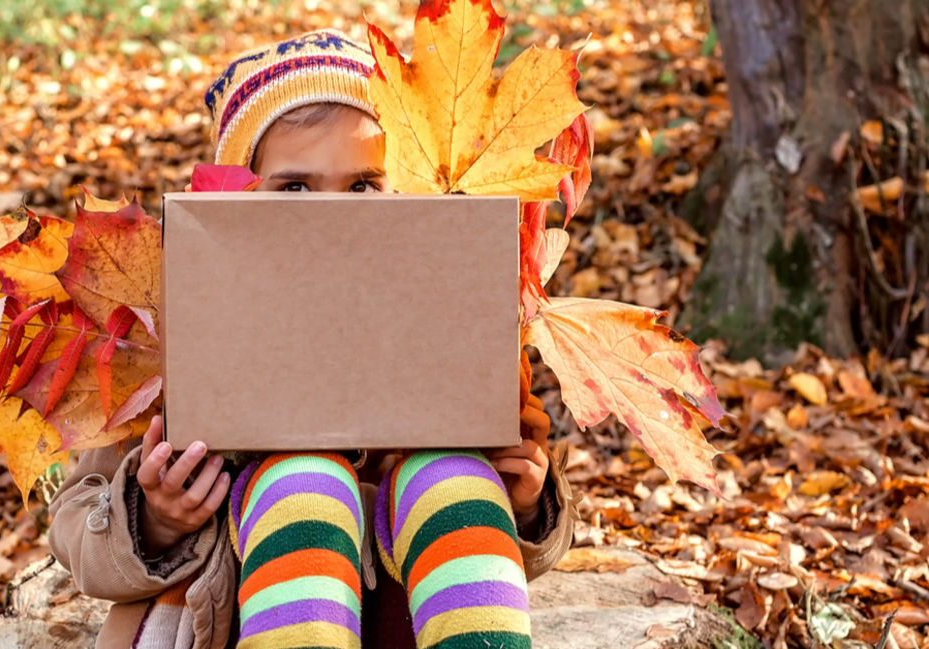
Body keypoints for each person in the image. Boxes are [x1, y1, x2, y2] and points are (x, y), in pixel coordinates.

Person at [49, 29, 576, 649]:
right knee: (304, 486)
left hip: (403, 615)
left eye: (362, 187)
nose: (333, 217)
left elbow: (504, 551)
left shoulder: (439, 311)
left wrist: (525, 505)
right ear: (239, 201)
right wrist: (157, 521)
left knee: (453, 481)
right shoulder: (185, 323)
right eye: (294, 188)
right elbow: (76, 525)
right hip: (234, 613)